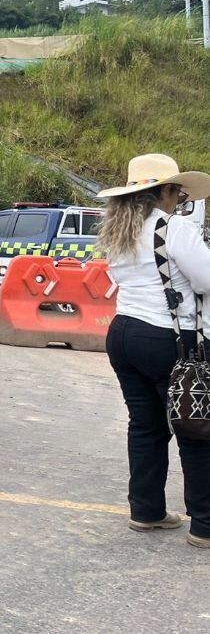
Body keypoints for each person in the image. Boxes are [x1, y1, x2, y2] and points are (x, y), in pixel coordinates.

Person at [97, 153, 210, 547]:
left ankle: (146, 510)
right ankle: (205, 525)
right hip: (168, 337)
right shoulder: (172, 228)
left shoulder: (119, 232)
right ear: (165, 192)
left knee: (145, 425)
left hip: (123, 333)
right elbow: (206, 279)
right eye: (179, 193)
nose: (180, 200)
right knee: (195, 427)